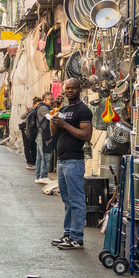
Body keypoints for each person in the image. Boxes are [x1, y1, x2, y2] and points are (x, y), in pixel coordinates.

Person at [50, 79, 93, 250]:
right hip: (62, 160)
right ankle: (68, 233)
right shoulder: (64, 109)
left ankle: (77, 237)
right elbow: (55, 133)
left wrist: (65, 124)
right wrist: (54, 120)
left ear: (79, 89)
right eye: (67, 88)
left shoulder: (83, 110)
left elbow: (86, 135)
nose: (70, 91)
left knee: (76, 200)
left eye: (73, 88)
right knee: (67, 199)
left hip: (74, 161)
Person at [34, 93, 55, 184]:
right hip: (42, 135)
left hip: (39, 134)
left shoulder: (40, 107)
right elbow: (50, 117)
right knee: (45, 156)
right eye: (50, 100)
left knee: (39, 156)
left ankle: (38, 176)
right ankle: (43, 175)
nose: (52, 101)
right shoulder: (43, 108)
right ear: (45, 99)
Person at [20, 97, 41, 169]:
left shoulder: (39, 111)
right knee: (27, 146)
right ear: (34, 104)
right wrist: (27, 112)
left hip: (33, 131)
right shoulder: (31, 110)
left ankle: (33, 162)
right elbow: (22, 117)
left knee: (33, 146)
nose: (38, 106)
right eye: (37, 104)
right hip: (26, 130)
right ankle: (29, 162)